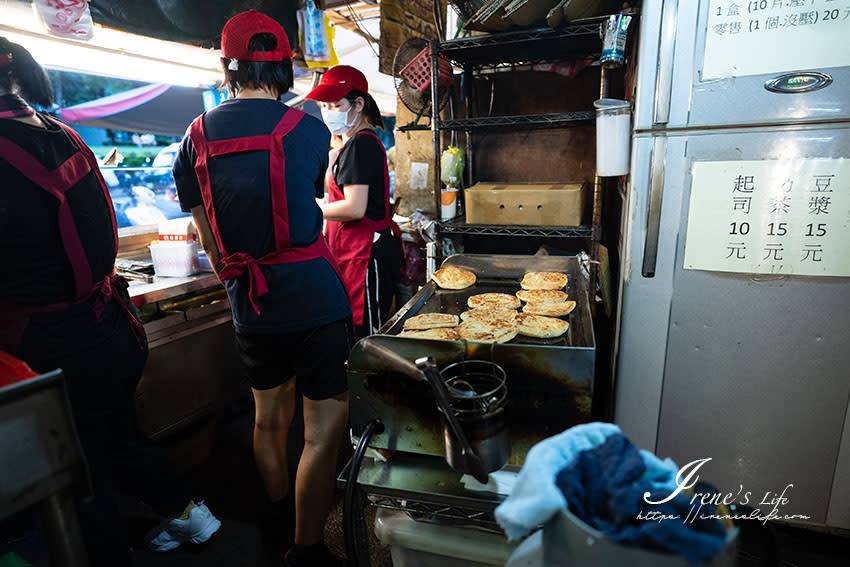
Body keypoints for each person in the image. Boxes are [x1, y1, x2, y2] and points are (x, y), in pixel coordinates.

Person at [0, 37, 220, 566]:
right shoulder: (65, 135)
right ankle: (189, 515)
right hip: (109, 329)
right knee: (117, 434)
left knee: (82, 469)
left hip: (48, 348)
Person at [171, 10, 351, 566]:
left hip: (250, 302)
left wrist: (232, 267)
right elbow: (309, 199)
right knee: (323, 432)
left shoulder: (195, 133)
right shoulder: (310, 129)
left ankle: (275, 528)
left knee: (267, 420)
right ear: (284, 66)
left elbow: (203, 222)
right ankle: (309, 547)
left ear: (227, 65)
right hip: (315, 299)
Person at [306, 66, 403, 340]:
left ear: (358, 104)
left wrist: (310, 212)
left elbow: (354, 207)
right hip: (350, 251)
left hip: (365, 253)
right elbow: (327, 186)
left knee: (367, 335)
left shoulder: (362, 145)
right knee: (353, 329)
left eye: (336, 105)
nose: (329, 111)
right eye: (325, 105)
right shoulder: (349, 145)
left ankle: (371, 383)